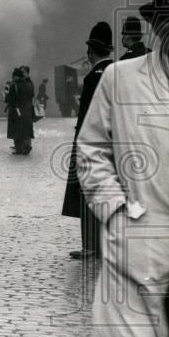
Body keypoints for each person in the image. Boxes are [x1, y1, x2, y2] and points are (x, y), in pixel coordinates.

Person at [77, 0, 169, 337]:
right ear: (159, 26)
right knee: (133, 335)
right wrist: (116, 208)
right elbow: (91, 150)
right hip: (141, 231)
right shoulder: (120, 78)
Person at [61, 21, 114, 259]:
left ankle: (90, 246)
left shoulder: (93, 77)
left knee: (86, 194)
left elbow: (87, 117)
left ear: (91, 51)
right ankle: (104, 245)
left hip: (90, 143)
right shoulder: (116, 71)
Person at [5, 67, 34, 154]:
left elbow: (10, 99)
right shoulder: (29, 84)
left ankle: (19, 149)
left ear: (15, 76)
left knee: (16, 131)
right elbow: (32, 95)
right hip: (27, 111)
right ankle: (27, 146)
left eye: (13, 76)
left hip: (16, 111)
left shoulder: (14, 86)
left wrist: (7, 92)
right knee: (26, 130)